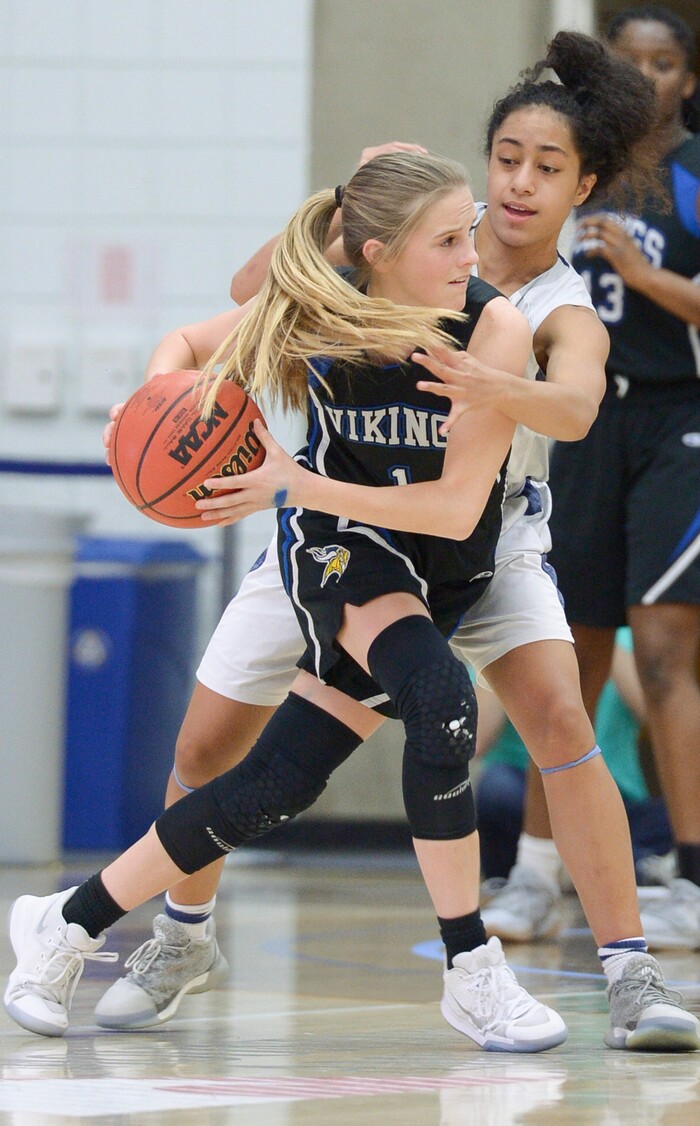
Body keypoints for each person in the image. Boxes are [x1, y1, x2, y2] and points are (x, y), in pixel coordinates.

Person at [92, 32, 697, 1050]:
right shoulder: (405, 234)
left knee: (557, 716)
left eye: (547, 169)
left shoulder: (557, 306)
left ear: (582, 186)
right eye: (506, 155)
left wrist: (490, 382)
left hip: (479, 545)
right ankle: (182, 935)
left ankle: (629, 970)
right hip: (339, 530)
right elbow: (251, 294)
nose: (517, 182)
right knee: (203, 746)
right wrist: (341, 205)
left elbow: (575, 410)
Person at [7, 149, 578, 1054]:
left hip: (437, 557)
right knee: (442, 701)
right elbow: (189, 348)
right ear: (379, 252)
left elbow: (453, 506)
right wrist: (163, 405)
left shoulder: (491, 330)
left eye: (470, 231)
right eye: (447, 238)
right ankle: (474, 971)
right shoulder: (315, 309)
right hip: (341, 551)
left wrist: (286, 481)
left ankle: (64, 921)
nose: (471, 253)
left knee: (277, 784)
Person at [543, 4, 700, 953]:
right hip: (584, 419)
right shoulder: (572, 167)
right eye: (628, 61)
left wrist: (648, 282)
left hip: (679, 420)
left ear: (689, 77)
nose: (646, 78)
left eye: (666, 62)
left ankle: (689, 873)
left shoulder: (692, 173)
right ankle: (531, 873)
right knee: (568, 647)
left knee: (667, 650)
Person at [474, 628, 674, 894]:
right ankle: (625, 867)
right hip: (531, 798)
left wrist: (597, 640)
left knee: (676, 817)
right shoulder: (514, 627)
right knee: (496, 792)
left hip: (618, 800)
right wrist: (505, 652)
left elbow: (655, 716)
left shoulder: (630, 637)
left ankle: (581, 868)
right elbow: (476, 741)